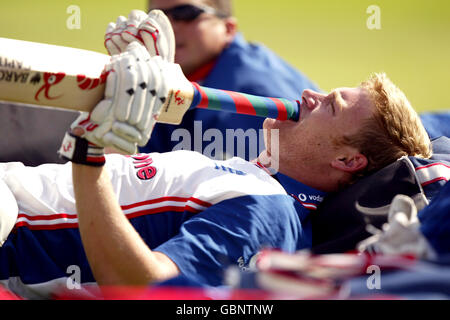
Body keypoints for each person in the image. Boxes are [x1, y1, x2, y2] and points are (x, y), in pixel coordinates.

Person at [0, 32, 431, 298]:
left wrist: (88, 154)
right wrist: (132, 108)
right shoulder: (256, 179)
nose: (308, 95)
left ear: (346, 159)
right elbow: (108, 201)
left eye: (330, 105)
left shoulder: (271, 212)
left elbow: (143, 288)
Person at [105, 0, 320, 160]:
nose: (167, 27)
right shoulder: (176, 76)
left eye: (186, 13)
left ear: (228, 29)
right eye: (156, 16)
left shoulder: (255, 93)